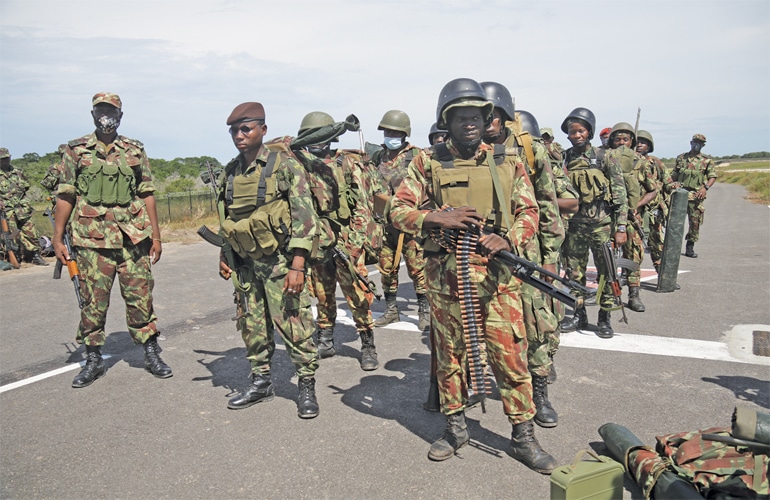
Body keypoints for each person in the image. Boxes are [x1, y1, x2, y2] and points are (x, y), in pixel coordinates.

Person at [390, 77, 557, 474]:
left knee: (510, 357)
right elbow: (397, 210)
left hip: (497, 279)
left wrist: (508, 239)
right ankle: (455, 428)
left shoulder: (507, 160)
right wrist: (436, 216)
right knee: (450, 359)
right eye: (460, 117)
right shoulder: (426, 162)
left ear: (488, 121)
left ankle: (523, 437)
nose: (469, 124)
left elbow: (530, 211)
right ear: (447, 122)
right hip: (447, 281)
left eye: (476, 117)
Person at [53, 92, 172, 388]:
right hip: (91, 240)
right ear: (93, 114)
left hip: (133, 237)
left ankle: (149, 351)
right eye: (101, 110)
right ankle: (93, 358)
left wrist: (156, 236)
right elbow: (66, 195)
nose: (107, 115)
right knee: (93, 301)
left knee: (141, 297)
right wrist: (57, 237)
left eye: (112, 111)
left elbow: (147, 192)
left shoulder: (134, 149)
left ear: (121, 115)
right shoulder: (75, 150)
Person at [216, 102, 321, 418]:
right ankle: (261, 382)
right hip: (246, 265)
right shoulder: (230, 172)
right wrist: (224, 253)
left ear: (263, 129)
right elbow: (226, 216)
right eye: (234, 130)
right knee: (252, 324)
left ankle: (306, 385)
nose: (239, 135)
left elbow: (305, 217)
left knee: (294, 323)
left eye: (246, 128)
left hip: (279, 262)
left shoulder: (285, 166)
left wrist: (298, 265)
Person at [480, 82, 563, 429]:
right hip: (483, 255)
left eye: (491, 115)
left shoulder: (529, 151)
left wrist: (549, 258)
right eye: (479, 116)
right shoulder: (466, 151)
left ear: (503, 116)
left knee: (537, 323)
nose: (486, 123)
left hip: (525, 252)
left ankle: (539, 392)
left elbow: (547, 206)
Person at [295, 111, 379, 371]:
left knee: (357, 293)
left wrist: (354, 243)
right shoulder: (300, 164)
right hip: (318, 239)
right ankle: (326, 339)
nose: (316, 144)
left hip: (345, 237)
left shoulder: (346, 163)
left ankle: (367, 344)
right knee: (322, 292)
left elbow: (362, 206)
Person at [559, 107, 628, 339]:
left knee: (607, 272)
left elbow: (620, 195)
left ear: (589, 132)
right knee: (574, 273)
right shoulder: (565, 158)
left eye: (580, 131)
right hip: (575, 228)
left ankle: (605, 317)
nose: (576, 135)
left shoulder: (604, 157)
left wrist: (621, 228)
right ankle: (579, 315)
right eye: (572, 132)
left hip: (602, 226)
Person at [371, 110, 430, 332]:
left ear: (404, 133)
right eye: (387, 131)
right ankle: (391, 310)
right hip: (386, 223)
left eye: (394, 132)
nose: (390, 135)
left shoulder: (416, 155)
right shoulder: (379, 156)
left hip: (410, 223)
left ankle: (424, 311)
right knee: (387, 268)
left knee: (417, 268)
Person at [607, 123, 657, 313]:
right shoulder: (605, 159)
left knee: (633, 256)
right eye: (617, 139)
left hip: (632, 219)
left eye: (626, 139)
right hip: (609, 217)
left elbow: (652, 190)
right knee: (608, 259)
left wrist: (637, 205)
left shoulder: (640, 162)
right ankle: (611, 294)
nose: (621, 143)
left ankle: (634, 294)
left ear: (632, 142)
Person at [0, 147, 49, 266]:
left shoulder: (18, 172)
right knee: (11, 235)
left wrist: (26, 202)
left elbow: (26, 188)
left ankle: (35, 255)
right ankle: (15, 257)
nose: (5, 161)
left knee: (31, 231)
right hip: (7, 210)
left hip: (22, 208)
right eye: (2, 159)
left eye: (7, 158)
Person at [671, 134, 716, 258]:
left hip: (696, 196)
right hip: (680, 195)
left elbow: (712, 176)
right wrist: (672, 184)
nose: (697, 145)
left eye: (700, 143)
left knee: (695, 223)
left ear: (703, 145)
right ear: (691, 142)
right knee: (675, 222)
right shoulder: (681, 158)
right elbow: (673, 175)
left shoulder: (706, 160)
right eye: (695, 142)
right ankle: (672, 246)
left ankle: (690, 247)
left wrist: (705, 188)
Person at [635, 130, 675, 273]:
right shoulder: (629, 161)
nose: (639, 145)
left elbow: (668, 181)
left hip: (653, 210)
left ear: (649, 145)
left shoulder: (656, 162)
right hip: (634, 210)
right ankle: (633, 277)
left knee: (657, 242)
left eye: (643, 142)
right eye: (637, 141)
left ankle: (662, 273)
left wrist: (673, 187)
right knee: (634, 245)